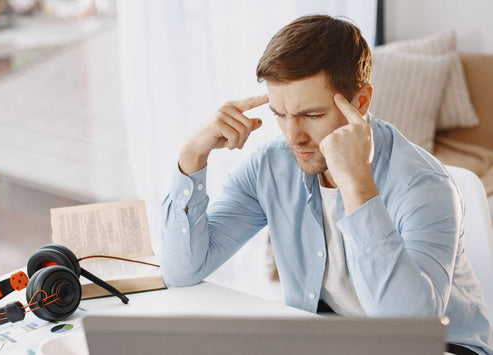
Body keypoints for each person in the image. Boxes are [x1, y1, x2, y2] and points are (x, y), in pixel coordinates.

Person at [160, 15, 493, 354]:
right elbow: (182, 271)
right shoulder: (272, 165)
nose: (293, 137)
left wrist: (357, 185)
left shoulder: (424, 185)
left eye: (312, 115)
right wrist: (192, 155)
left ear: (360, 102)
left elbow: (409, 330)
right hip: (334, 341)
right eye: (280, 114)